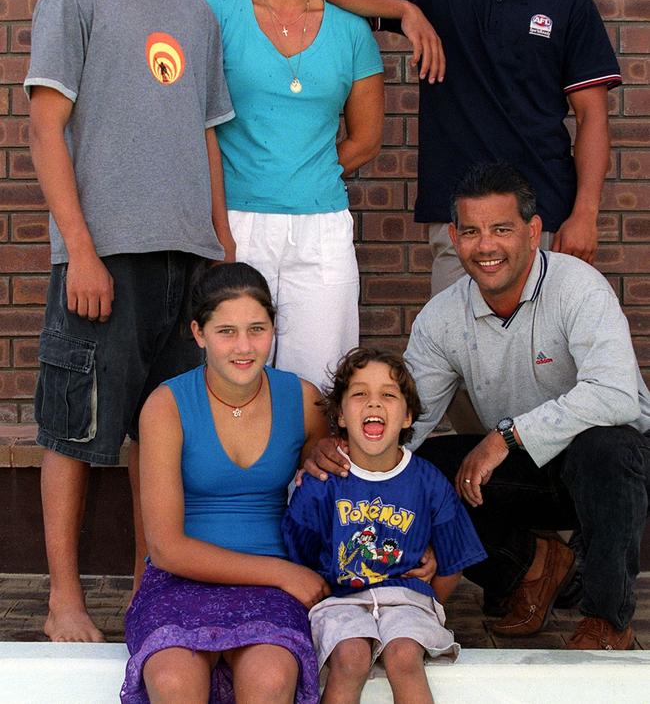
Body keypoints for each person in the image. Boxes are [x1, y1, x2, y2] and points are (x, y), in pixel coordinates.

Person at [23, 0, 235, 643]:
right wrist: (79, 247)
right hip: (102, 259)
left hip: (187, 262)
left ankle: (153, 595)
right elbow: (45, 128)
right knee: (74, 430)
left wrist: (219, 243)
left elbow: (209, 136)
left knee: (162, 440)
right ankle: (65, 599)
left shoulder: (199, 15)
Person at [307, 163, 650, 650]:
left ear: (533, 233)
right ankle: (534, 565)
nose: (485, 246)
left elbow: (615, 394)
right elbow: (410, 420)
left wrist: (505, 436)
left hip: (620, 470)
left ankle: (607, 623)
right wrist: (342, 454)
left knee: (607, 448)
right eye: (471, 231)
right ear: (454, 236)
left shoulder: (578, 287)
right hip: (530, 468)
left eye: (501, 229)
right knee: (425, 469)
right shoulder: (443, 316)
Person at [314, 0, 621, 297]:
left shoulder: (567, 1)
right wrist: (407, 11)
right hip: (460, 224)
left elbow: (592, 117)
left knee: (544, 362)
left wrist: (585, 214)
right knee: (456, 358)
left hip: (545, 218)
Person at [121, 262, 331, 704]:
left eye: (257, 329)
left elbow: (342, 485)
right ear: (199, 333)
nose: (244, 347)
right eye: (226, 331)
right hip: (182, 580)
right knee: (175, 682)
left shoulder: (304, 400)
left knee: (272, 677)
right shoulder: (167, 406)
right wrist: (284, 573)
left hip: (272, 592)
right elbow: (165, 548)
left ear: (274, 328)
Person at [205, 0, 384, 388]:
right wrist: (220, 225)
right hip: (236, 224)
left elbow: (366, 138)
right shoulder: (215, 16)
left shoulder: (350, 29)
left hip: (322, 229)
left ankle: (312, 472)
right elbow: (194, 124)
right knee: (234, 378)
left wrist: (305, 173)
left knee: (321, 382)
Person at [283, 348, 485, 703]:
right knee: (350, 657)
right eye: (359, 394)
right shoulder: (322, 482)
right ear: (341, 416)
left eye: (388, 395)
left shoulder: (428, 481)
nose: (373, 404)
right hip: (340, 599)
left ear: (407, 416)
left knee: (405, 655)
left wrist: (430, 601)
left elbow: (455, 558)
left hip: (408, 600)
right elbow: (299, 554)